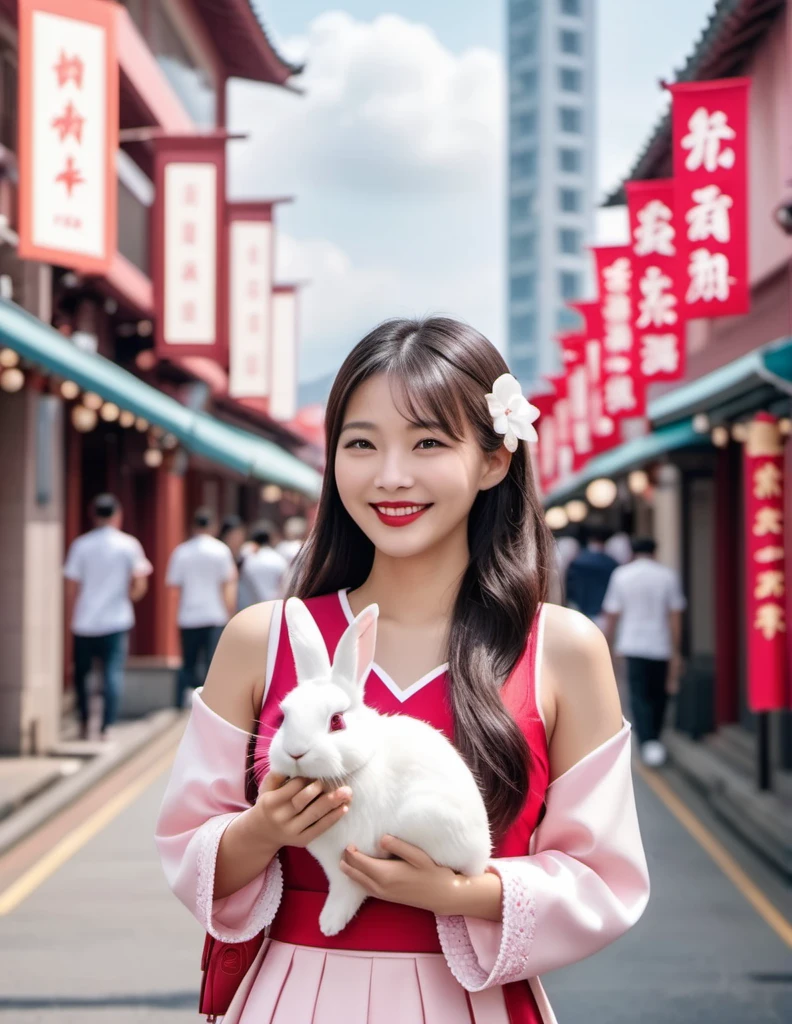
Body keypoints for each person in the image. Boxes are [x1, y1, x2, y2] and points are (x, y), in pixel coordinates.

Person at [155, 318, 649, 1024]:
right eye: (360, 444)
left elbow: (606, 876)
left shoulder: (561, 649)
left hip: (469, 1001)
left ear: (494, 460)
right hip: (295, 997)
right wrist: (265, 829)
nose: (390, 475)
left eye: (427, 443)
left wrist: (462, 895)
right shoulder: (261, 639)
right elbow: (187, 846)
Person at [64, 494, 152, 740]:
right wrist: (128, 596)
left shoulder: (81, 544)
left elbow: (71, 585)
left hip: (84, 620)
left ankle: (83, 722)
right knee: (112, 673)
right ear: (117, 515)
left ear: (94, 515)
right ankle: (106, 726)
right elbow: (140, 582)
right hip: (116, 618)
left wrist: (72, 612)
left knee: (82, 674)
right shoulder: (128, 544)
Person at [602, 536, 687, 768]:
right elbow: (675, 617)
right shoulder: (667, 576)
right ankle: (654, 739)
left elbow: (611, 614)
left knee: (639, 695)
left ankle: (647, 741)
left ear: (632, 552)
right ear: (655, 552)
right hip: (661, 644)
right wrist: (677, 650)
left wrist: (607, 644)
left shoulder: (622, 575)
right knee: (659, 694)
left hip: (632, 644)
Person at [166, 508, 238, 709]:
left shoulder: (181, 551)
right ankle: (210, 704)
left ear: (193, 526)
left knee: (188, 662)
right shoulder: (220, 550)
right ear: (212, 526)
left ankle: (181, 703)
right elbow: (228, 585)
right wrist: (229, 612)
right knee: (211, 663)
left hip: (188, 615)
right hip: (215, 615)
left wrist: (175, 616)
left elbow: (174, 588)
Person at [565, 524, 619, 629]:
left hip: (579, 611)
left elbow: (571, 588)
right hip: (601, 614)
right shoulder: (611, 563)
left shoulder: (577, 561)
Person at [239, 521, 288, 604]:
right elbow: (284, 583)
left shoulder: (249, 559)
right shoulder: (278, 559)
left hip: (253, 606)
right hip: (275, 604)